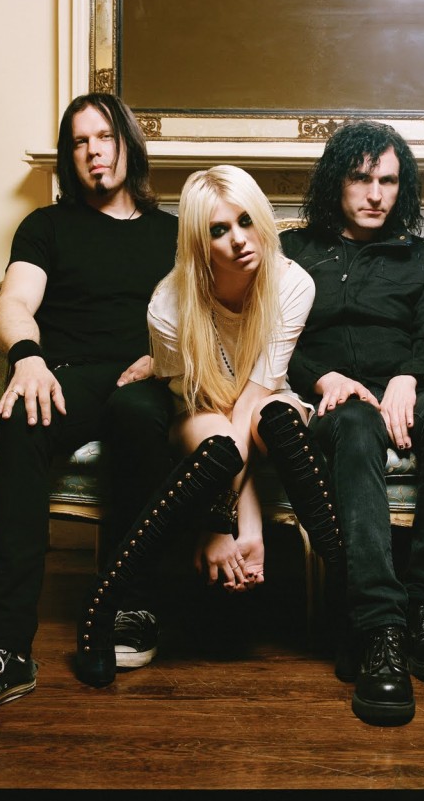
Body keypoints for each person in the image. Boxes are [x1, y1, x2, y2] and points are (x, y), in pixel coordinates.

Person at [0, 93, 180, 725]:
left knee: (139, 417)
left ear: (128, 143)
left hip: (143, 377)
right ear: (69, 156)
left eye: (105, 137)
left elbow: (202, 318)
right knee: (20, 419)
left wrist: (164, 362)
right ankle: (5, 651)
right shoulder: (46, 225)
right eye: (79, 141)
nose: (94, 151)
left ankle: (132, 605)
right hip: (65, 377)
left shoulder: (173, 233)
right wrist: (28, 359)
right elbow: (15, 302)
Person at [73, 164, 344, 688]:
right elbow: (217, 412)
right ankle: (101, 607)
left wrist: (241, 523)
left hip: (262, 402)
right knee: (221, 443)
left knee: (280, 421)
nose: (239, 239)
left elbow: (254, 398)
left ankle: (352, 607)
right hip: (198, 410)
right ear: (199, 242)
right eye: (219, 230)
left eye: (246, 221)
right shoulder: (168, 304)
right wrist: (225, 522)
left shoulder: (292, 283)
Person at [281, 120, 424, 727]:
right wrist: (322, 378)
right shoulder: (292, 251)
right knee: (357, 425)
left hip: (407, 391)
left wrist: (409, 378)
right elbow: (267, 336)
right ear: (335, 182)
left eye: (388, 181)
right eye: (360, 179)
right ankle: (379, 629)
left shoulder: (423, 257)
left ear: (402, 187)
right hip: (334, 402)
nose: (374, 194)